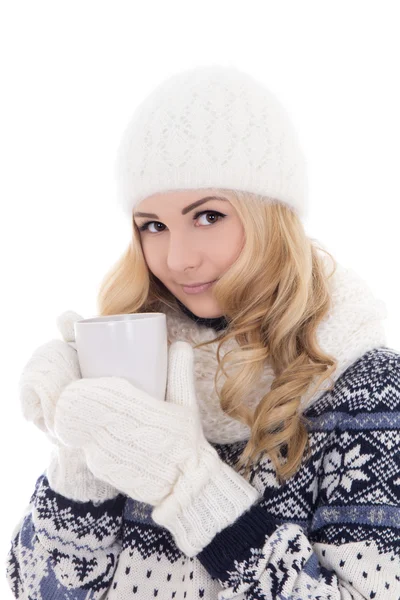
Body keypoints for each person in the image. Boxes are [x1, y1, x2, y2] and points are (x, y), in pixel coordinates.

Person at [6, 65, 400, 600]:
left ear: (271, 216)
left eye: (209, 216)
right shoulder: (140, 362)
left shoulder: (365, 385)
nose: (178, 258)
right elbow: (41, 592)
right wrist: (78, 452)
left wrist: (195, 493)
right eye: (153, 225)